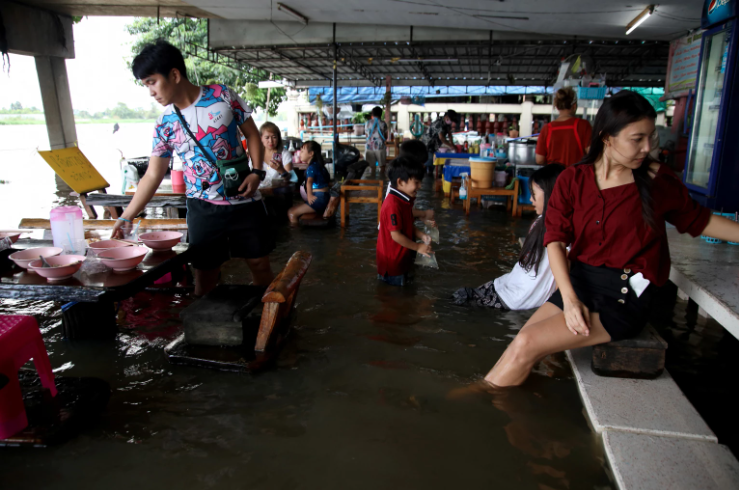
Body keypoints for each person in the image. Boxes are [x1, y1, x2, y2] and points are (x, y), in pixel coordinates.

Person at [485, 90, 739, 388]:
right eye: (636, 139)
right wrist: (569, 299)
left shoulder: (657, 181)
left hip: (623, 293)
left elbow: (700, 219)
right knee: (521, 344)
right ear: (607, 137)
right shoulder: (573, 179)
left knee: (527, 343)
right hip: (580, 282)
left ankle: (481, 402)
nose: (646, 148)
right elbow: (554, 240)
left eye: (649, 138)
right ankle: (491, 400)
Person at [111, 40, 273, 296]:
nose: (151, 92)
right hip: (202, 207)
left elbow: (252, 135)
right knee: (205, 273)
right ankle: (205, 330)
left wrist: (257, 172)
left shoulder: (222, 95)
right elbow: (153, 174)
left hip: (246, 200)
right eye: (146, 85)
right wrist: (126, 215)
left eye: (152, 82)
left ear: (174, 75)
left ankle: (270, 319)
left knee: (259, 264)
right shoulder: (165, 123)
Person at [453, 164, 566, 310]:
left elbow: (561, 283)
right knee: (459, 297)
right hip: (507, 285)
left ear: (551, 194)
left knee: (456, 305)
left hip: (514, 299)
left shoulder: (561, 233)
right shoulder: (540, 221)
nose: (531, 199)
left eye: (534, 194)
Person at [377, 156, 432, 286]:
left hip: (402, 257)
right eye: (417, 182)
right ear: (401, 182)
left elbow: (407, 224)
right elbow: (396, 235)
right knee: (395, 299)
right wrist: (418, 247)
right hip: (393, 264)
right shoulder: (393, 204)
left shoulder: (405, 199)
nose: (420, 186)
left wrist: (421, 235)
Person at [535, 87, 592, 166]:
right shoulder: (583, 125)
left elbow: (539, 159)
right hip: (576, 176)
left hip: (554, 177)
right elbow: (592, 154)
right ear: (574, 106)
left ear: (557, 107)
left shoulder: (547, 128)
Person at [288, 141, 331, 224]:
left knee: (291, 213)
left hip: (318, 199)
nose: (300, 154)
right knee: (295, 208)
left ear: (311, 153)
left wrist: (309, 196)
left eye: (302, 151)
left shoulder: (311, 167)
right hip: (324, 197)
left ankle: (296, 234)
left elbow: (309, 182)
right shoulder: (319, 166)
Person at [258, 121, 293, 188]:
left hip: (278, 192)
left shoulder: (284, 154)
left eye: (274, 137)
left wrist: (281, 170)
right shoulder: (257, 154)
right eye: (267, 137)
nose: (270, 141)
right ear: (261, 138)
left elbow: (290, 180)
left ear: (278, 138)